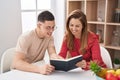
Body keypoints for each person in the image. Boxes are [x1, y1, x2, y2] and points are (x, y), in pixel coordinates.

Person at [11, 10, 62, 75]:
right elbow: (16, 62)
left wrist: (57, 58)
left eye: (53, 27)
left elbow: (52, 53)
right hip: (20, 71)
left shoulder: (49, 37)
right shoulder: (26, 37)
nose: (51, 31)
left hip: (35, 71)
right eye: (48, 28)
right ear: (39, 25)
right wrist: (39, 69)